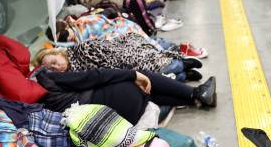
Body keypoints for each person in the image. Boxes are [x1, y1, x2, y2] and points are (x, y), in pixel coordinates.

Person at [34, 67, 216, 124]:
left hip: (121, 120)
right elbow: (95, 76)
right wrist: (133, 74)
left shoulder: (32, 107)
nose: (55, 67)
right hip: (119, 101)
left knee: (146, 95)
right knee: (141, 77)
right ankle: (195, 92)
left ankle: (194, 99)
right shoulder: (47, 78)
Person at [34, 35, 204, 82]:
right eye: (52, 69)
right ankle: (183, 74)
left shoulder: (80, 50)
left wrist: (123, 71)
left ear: (58, 54)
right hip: (119, 73)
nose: (56, 68)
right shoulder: (70, 76)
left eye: (54, 63)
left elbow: (113, 52)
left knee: (154, 66)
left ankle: (180, 64)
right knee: (147, 79)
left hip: (124, 54)